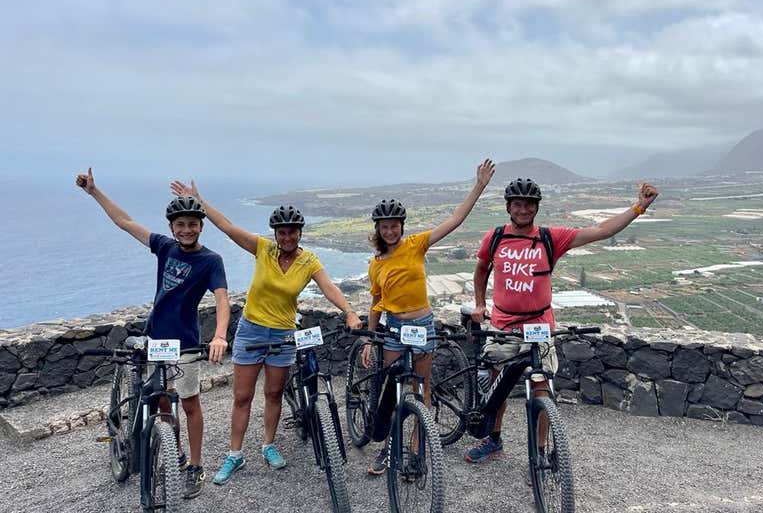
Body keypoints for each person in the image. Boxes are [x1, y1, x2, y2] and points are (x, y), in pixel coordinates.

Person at [170, 180, 362, 485]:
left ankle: (269, 445)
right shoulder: (263, 249)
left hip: (284, 333)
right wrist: (199, 201)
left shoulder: (309, 260)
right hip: (251, 330)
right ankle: (235, 454)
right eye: (282, 232)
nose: (287, 237)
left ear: (299, 233)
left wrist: (349, 311)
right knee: (242, 396)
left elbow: (329, 288)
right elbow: (228, 227)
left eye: (292, 232)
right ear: (275, 234)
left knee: (273, 393)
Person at [464, 177, 659, 467]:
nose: (523, 209)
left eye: (529, 204)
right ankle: (494, 438)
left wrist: (638, 208)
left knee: (541, 390)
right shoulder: (494, 238)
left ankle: (540, 454)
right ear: (508, 207)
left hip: (539, 325)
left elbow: (601, 230)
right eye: (517, 204)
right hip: (504, 325)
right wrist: (480, 303)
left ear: (536, 208)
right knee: (497, 385)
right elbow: (481, 270)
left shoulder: (549, 237)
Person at [76, 167, 230, 499]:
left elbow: (222, 299)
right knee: (162, 403)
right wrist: (94, 192)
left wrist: (219, 335)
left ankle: (196, 464)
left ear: (201, 227)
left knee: (189, 405)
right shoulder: (164, 247)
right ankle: (172, 453)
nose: (186, 230)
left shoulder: (211, 261)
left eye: (192, 224)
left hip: (186, 344)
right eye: (180, 225)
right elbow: (125, 222)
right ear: (171, 228)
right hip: (155, 340)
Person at [362, 159, 495, 475]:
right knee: (394, 390)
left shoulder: (415, 245)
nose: (390, 230)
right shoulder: (376, 263)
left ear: (401, 227)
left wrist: (479, 185)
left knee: (422, 390)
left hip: (421, 324)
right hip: (394, 327)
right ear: (378, 229)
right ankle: (387, 449)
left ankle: (417, 452)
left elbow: (455, 220)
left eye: (395, 225)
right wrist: (369, 340)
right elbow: (376, 304)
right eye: (385, 226)